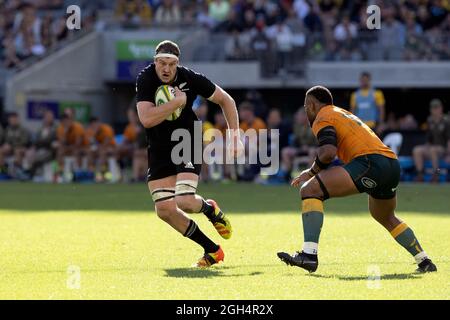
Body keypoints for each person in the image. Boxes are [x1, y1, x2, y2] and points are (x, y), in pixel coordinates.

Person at [277, 86, 437, 273]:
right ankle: (424, 261)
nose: (306, 112)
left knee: (309, 190)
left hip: (370, 162)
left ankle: (309, 255)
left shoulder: (323, 115)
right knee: (384, 216)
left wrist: (311, 172)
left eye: (306, 107)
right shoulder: (341, 112)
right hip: (391, 164)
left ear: (311, 105)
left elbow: (328, 153)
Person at [136, 40, 243, 268]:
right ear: (155, 62)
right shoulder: (145, 79)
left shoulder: (190, 78)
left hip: (187, 140)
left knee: (184, 201)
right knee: (164, 210)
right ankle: (213, 251)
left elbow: (226, 100)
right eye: (162, 63)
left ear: (178, 64)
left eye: (172, 64)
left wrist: (235, 135)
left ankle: (208, 209)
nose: (166, 69)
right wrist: (177, 102)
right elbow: (146, 119)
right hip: (159, 147)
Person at [412, 99, 450, 183]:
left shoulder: (446, 121)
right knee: (417, 150)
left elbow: (449, 139)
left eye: (437, 108)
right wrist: (426, 147)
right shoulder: (430, 120)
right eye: (433, 108)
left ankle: (436, 175)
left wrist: (448, 153)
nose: (435, 110)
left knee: (433, 150)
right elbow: (429, 138)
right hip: (432, 147)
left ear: (441, 108)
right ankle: (420, 175)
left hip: (443, 148)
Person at [85, 117, 118, 182]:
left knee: (102, 152)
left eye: (96, 124)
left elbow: (107, 143)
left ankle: (101, 173)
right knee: (89, 152)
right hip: (99, 149)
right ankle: (91, 173)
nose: (95, 126)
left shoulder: (106, 129)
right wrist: (94, 134)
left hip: (111, 147)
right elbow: (90, 143)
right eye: (93, 125)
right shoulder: (90, 131)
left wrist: (97, 147)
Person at [0, 112, 31, 177]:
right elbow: (3, 140)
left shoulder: (23, 129)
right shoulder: (7, 129)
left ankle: (20, 172)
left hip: (21, 148)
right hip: (10, 149)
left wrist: (11, 145)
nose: (12, 121)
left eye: (14, 120)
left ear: (17, 120)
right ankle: (4, 171)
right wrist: (5, 145)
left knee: (17, 151)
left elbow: (24, 142)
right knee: (0, 151)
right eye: (11, 120)